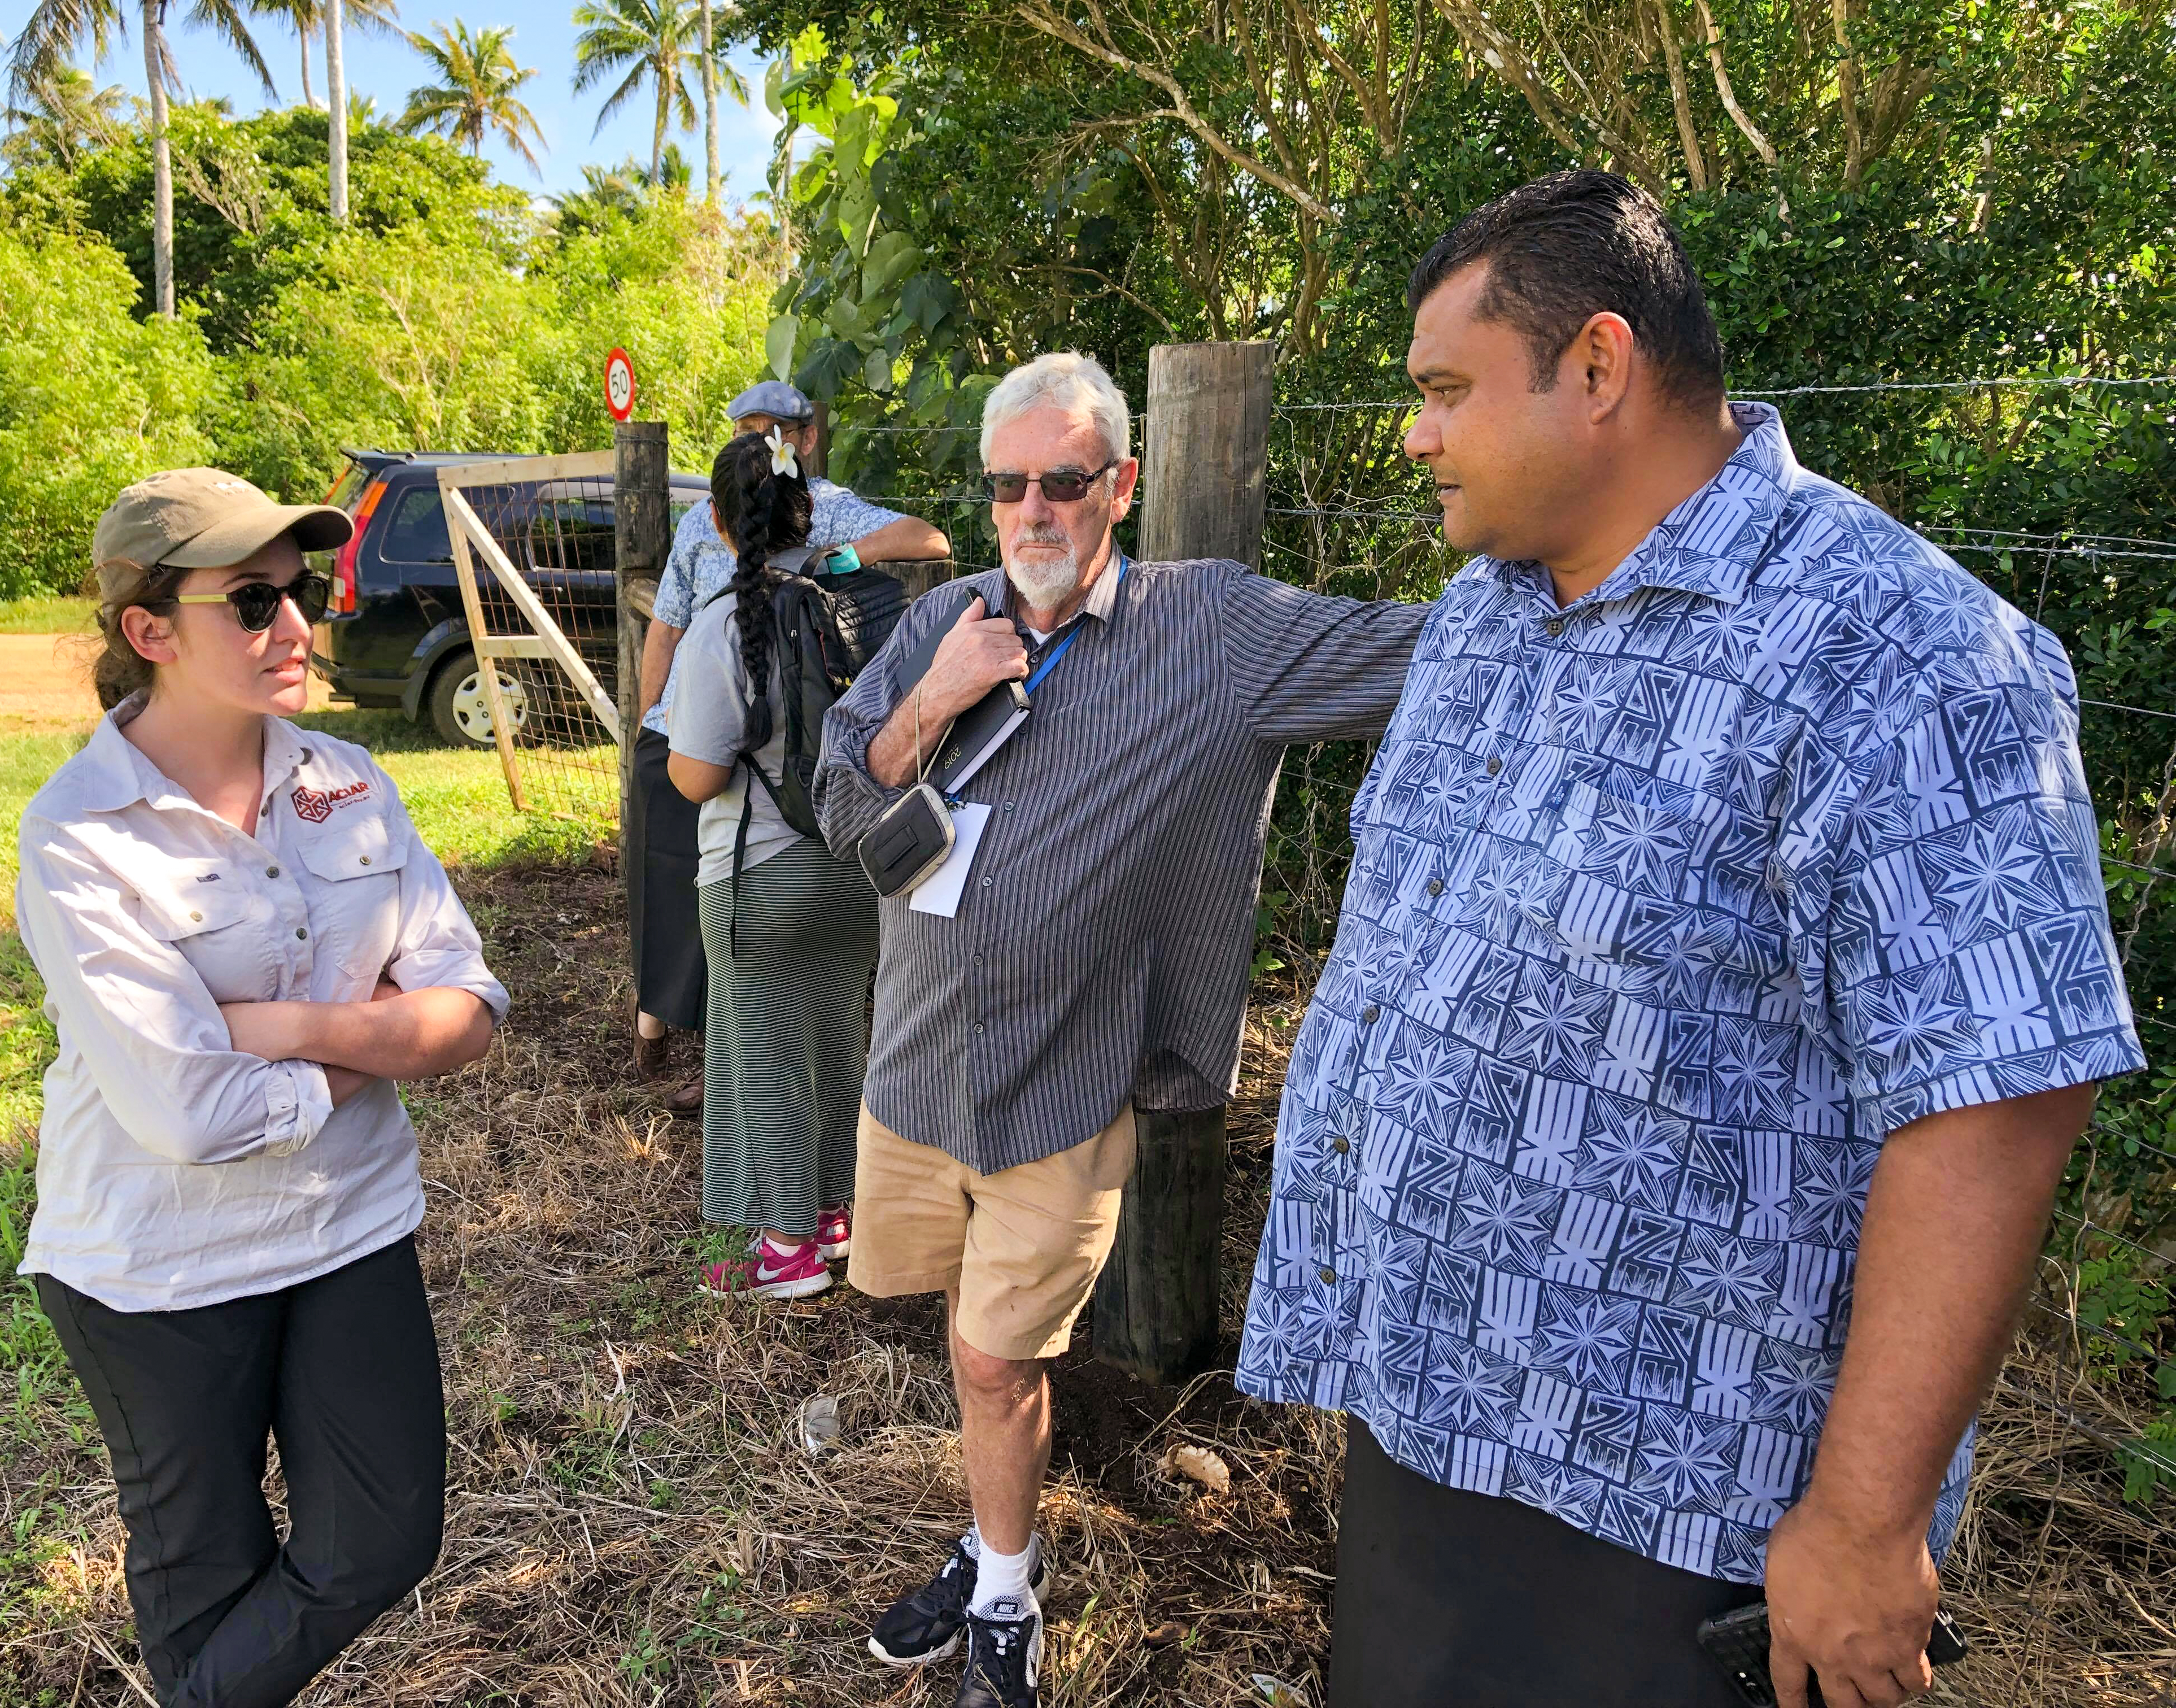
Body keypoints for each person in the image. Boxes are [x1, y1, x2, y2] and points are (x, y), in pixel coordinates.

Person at [1232, 171, 2147, 1708]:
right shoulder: (1481, 615)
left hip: (1681, 1519)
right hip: (1425, 1432)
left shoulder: (1900, 652)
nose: (1415, 431)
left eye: (1447, 389)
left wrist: (1864, 1526)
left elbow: (1995, 1096)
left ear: (1597, 369)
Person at [814, 352, 1431, 1707]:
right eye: (1008, 486)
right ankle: (993, 1540)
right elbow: (841, 805)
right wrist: (934, 698)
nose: (1034, 511)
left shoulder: (1209, 627)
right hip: (916, 1066)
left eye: (1065, 482)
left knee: (993, 1356)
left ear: (1124, 486)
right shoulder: (941, 623)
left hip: (1066, 1083)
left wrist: (1584, 553)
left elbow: (1424, 654)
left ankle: (1004, 1603)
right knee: (967, 1344)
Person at [16, 468, 509, 1708]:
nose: (295, 626)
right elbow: (191, 1114)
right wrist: (382, 1042)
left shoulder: (346, 781)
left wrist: (285, 1025)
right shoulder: (79, 837)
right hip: (159, 1269)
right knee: (206, 1570)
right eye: (249, 602)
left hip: (347, 1226)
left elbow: (471, 1006)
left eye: (297, 593)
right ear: (149, 631)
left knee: (384, 1538)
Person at [627, 381, 948, 1109]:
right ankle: (666, 1026)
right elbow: (667, 621)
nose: (756, 441)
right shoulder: (695, 525)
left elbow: (929, 538)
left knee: (743, 904)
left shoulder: (826, 508)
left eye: (770, 429)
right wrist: (652, 719)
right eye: (745, 427)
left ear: (804, 440)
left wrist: (831, 561)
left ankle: (749, 1092)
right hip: (687, 728)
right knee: (673, 886)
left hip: (768, 756)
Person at [663, 429, 883, 1297]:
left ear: (720, 524)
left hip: (758, 874)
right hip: (853, 870)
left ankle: (786, 1253)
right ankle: (834, 1221)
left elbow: (698, 774)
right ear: (809, 515)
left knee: (762, 1059)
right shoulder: (853, 610)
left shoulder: (723, 623)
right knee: (836, 1043)